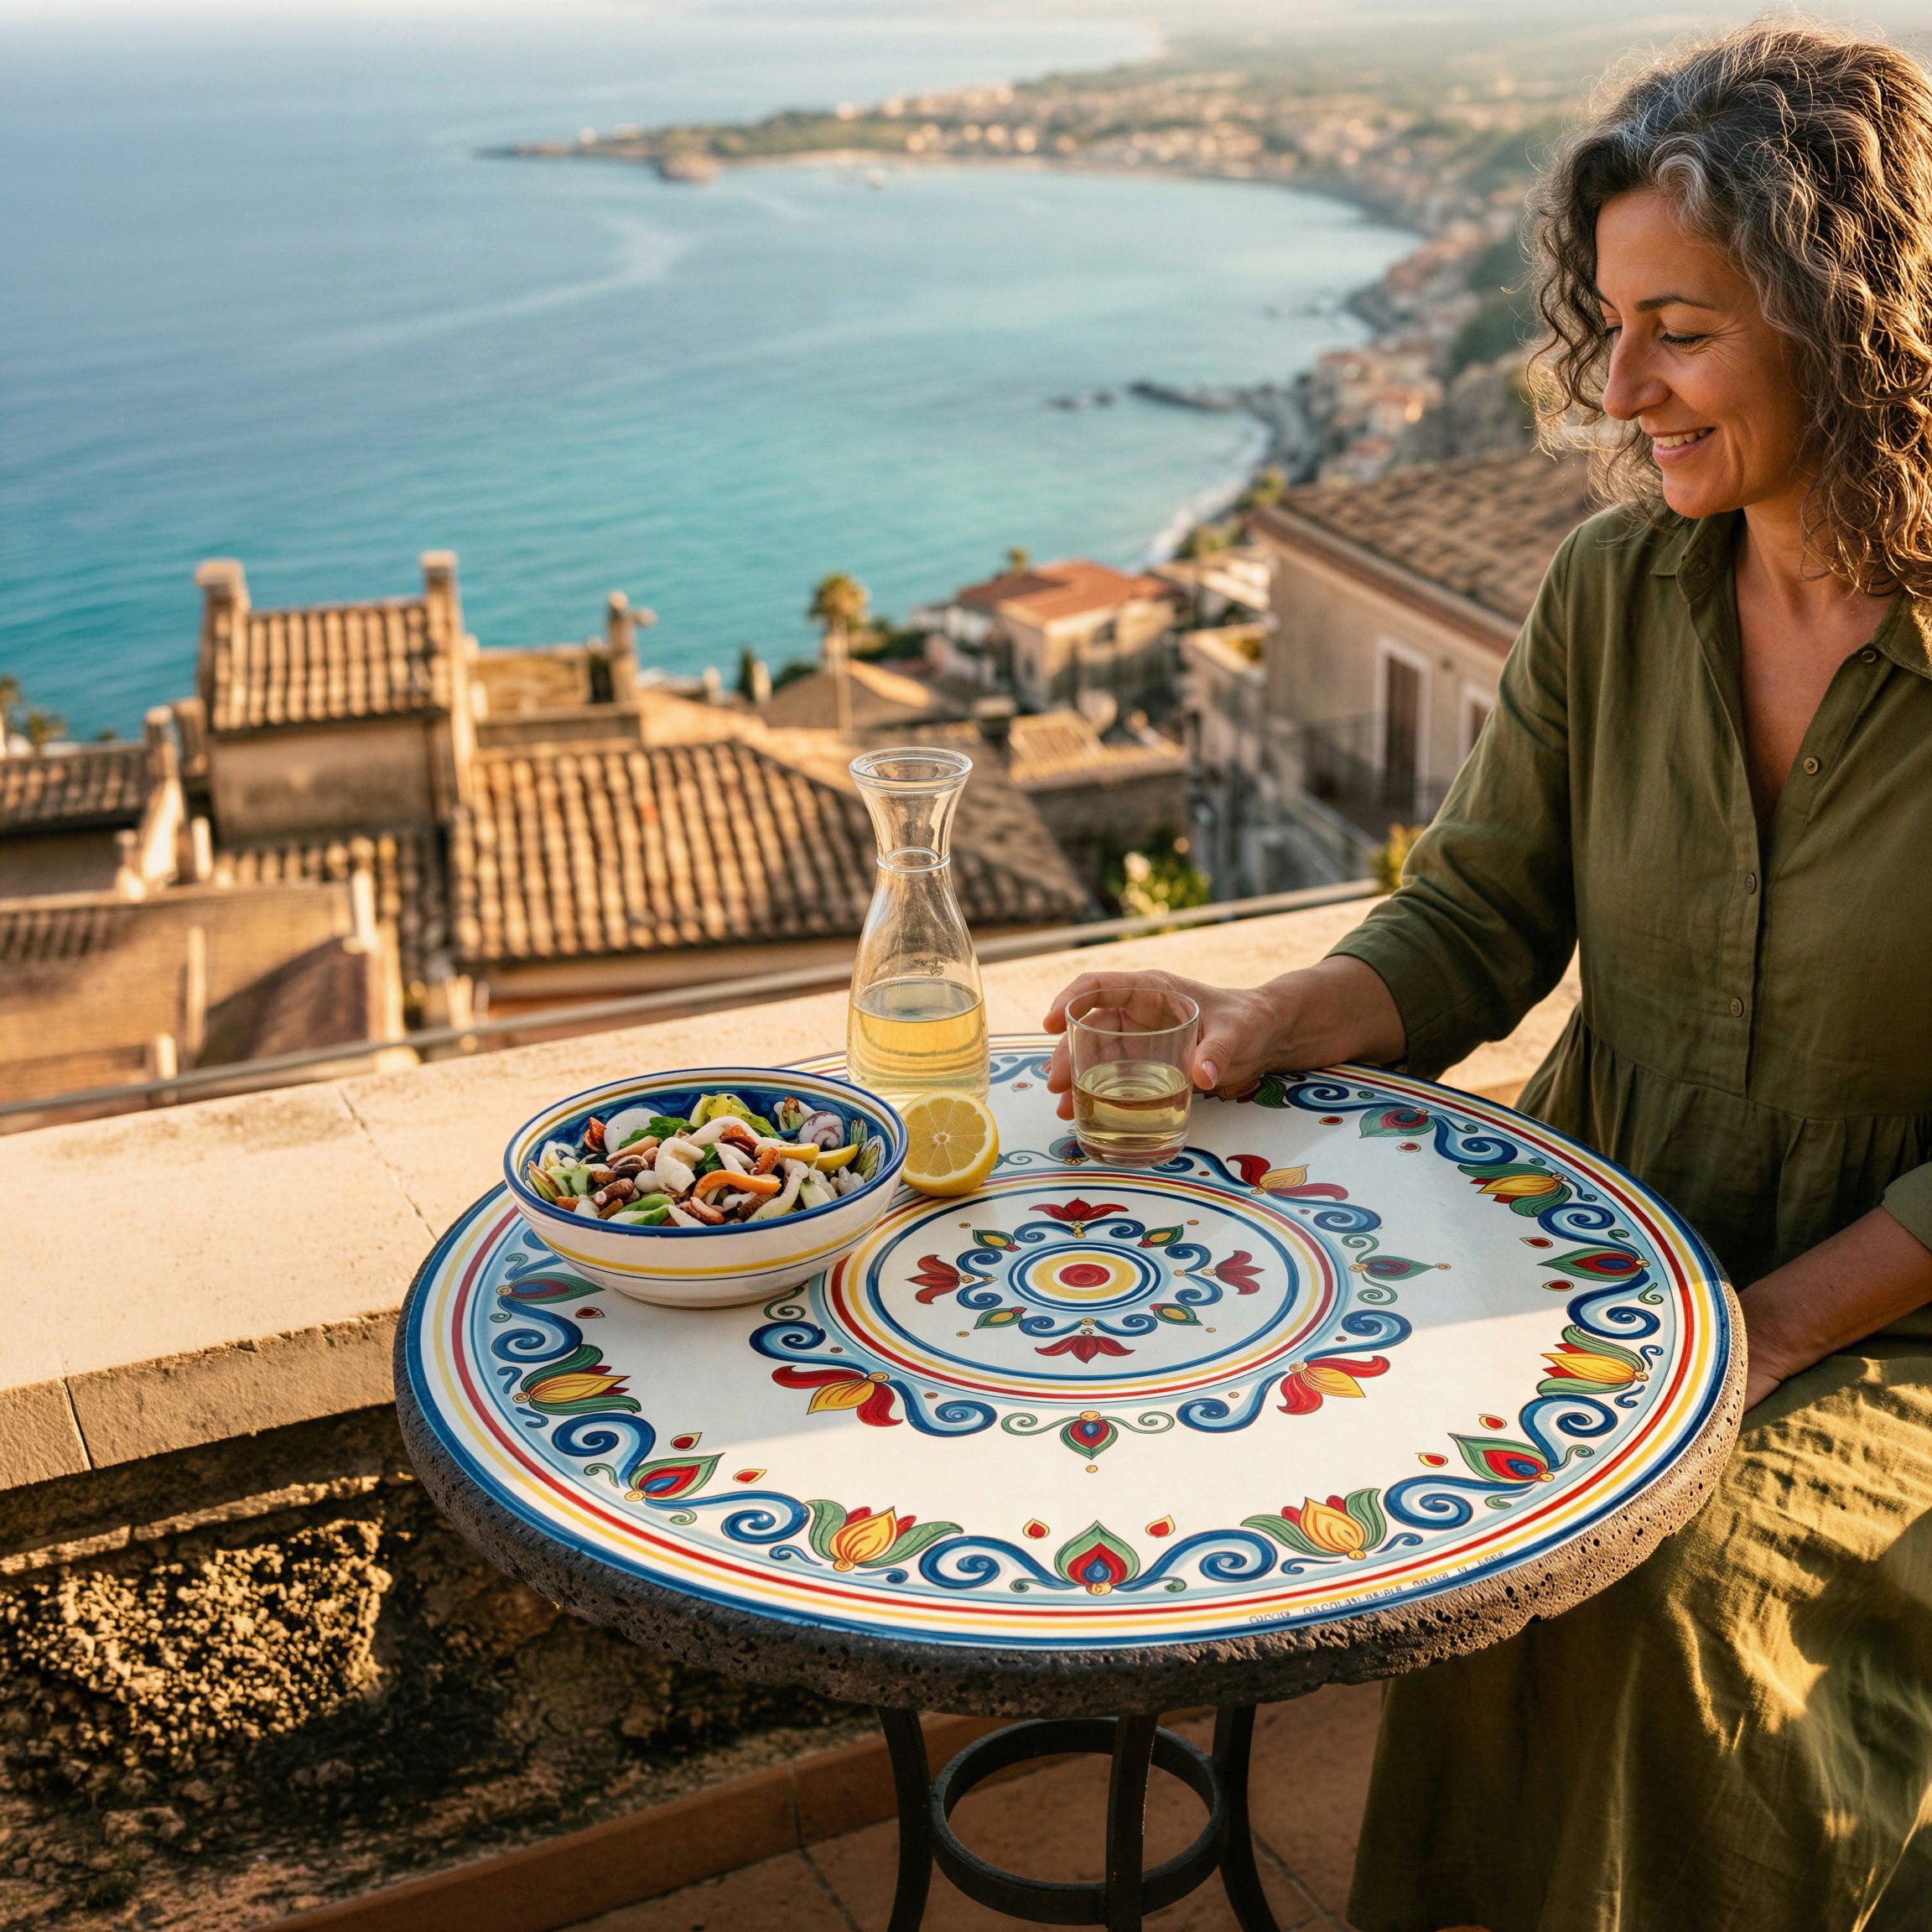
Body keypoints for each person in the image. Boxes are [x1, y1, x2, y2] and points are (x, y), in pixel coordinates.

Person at [1045, 23, 1932, 1932]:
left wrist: (1764, 1339)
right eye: (1609, 327)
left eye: (1678, 330)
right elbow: (1474, 916)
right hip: (1624, 1254)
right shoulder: (1619, 596)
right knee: (1458, 1544)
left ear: (1849, 321)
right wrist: (1262, 1023)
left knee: (1680, 1603)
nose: (1619, 388)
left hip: (1888, 1318)